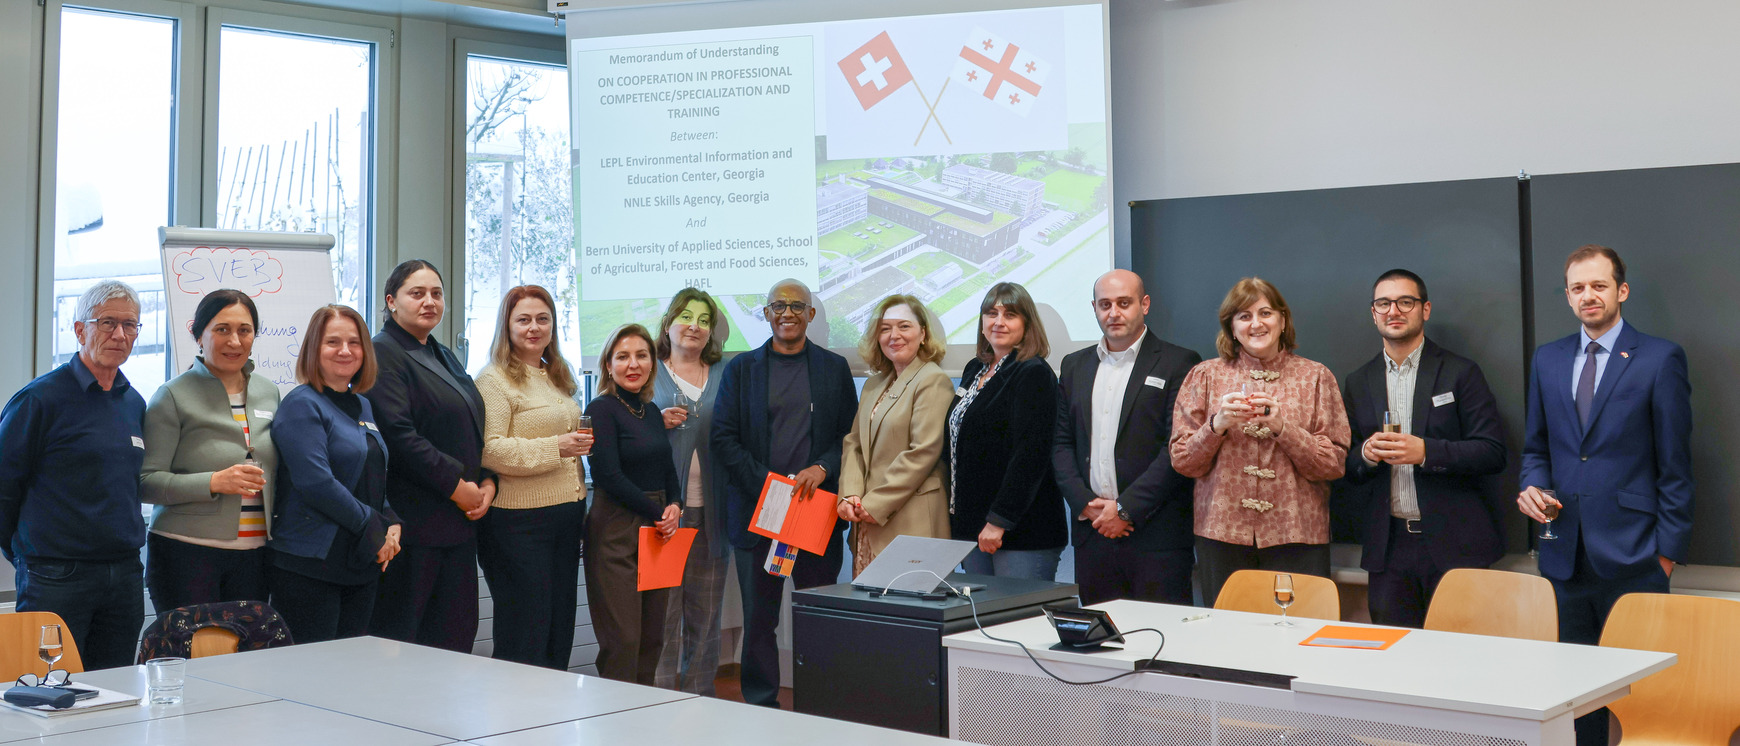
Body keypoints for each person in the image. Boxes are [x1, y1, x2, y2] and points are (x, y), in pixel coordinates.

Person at [1517, 245, 1691, 746]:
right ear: (1568, 296)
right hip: (1563, 557)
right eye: (1578, 288)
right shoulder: (1547, 359)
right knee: (1575, 700)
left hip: (1636, 557)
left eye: (1599, 285)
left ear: (1622, 290)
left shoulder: (1659, 358)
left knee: (1649, 699)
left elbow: (1677, 467)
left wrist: (1665, 557)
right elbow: (1536, 448)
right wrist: (1531, 486)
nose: (1588, 295)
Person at [711, 279, 857, 707]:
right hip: (759, 515)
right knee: (759, 621)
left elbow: (849, 437)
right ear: (766, 314)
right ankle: (761, 705)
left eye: (796, 306)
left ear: (810, 314)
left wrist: (822, 467)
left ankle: (821, 702)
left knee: (818, 618)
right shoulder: (742, 369)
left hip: (816, 515)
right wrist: (770, 486)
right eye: (778, 306)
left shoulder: (834, 368)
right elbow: (723, 438)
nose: (787, 313)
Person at [1340, 269, 1506, 627]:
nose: (1393, 311)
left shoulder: (1461, 372)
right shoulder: (1358, 381)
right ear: (1373, 313)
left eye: (1405, 302)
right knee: (1395, 655)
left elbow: (1492, 452)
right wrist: (1366, 454)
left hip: (1456, 545)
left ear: (1425, 309)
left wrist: (1427, 452)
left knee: (1461, 653)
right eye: (1383, 303)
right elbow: (1346, 464)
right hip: (1388, 550)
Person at [1170, 277, 1350, 607]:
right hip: (1222, 535)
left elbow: (1334, 464)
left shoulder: (1316, 377)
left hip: (1297, 534)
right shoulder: (1205, 376)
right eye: (1244, 316)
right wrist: (1216, 426)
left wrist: (1284, 428)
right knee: (1228, 633)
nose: (1256, 324)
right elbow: (1183, 461)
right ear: (1231, 327)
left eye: (1265, 313)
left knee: (1297, 630)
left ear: (1283, 320)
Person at [0, 280, 148, 669]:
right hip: (56, 576)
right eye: (107, 322)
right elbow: (3, 487)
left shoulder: (133, 402)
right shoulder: (39, 400)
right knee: (49, 687)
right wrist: (26, 555)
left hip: (125, 574)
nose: (120, 335)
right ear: (80, 330)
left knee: (116, 687)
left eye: (130, 325)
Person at [366, 259, 494, 652]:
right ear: (391, 301)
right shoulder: (382, 352)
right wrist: (458, 487)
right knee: (406, 644)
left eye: (436, 294)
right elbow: (400, 437)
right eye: (417, 293)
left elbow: (470, 427)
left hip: (458, 524)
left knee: (455, 640)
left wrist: (487, 482)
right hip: (415, 526)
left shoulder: (441, 353)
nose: (429, 302)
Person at [1053, 270, 1202, 605]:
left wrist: (1124, 510)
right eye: (1105, 305)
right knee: (1102, 635)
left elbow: (1177, 449)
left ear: (1144, 305)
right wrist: (1086, 505)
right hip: (1093, 534)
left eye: (1124, 303)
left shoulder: (1179, 363)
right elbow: (1061, 443)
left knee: (1162, 635)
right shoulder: (1074, 365)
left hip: (1156, 536)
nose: (1114, 313)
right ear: (1094, 308)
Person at [140, 289, 280, 615]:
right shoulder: (172, 395)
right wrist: (213, 482)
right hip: (185, 555)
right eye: (222, 329)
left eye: (244, 330)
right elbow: (146, 483)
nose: (235, 341)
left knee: (246, 648)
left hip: (256, 556)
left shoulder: (269, 392)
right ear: (198, 334)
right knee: (195, 648)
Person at [268, 305, 402, 643]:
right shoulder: (302, 405)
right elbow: (316, 483)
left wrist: (391, 522)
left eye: (354, 342)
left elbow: (371, 473)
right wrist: (375, 527)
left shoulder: (362, 404)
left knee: (350, 668)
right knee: (312, 670)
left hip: (359, 561)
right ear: (314, 348)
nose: (345, 350)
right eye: (333, 342)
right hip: (311, 564)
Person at [474, 286, 589, 670]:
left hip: (566, 517)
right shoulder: (493, 380)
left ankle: (553, 707)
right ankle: (516, 708)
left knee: (559, 629)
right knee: (525, 635)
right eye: (523, 319)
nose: (534, 327)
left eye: (543, 319)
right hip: (519, 525)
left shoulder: (556, 374)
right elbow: (490, 450)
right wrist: (557, 447)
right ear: (506, 325)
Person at [946, 282, 1067, 580]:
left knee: (1018, 611)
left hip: (1020, 530)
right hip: (973, 526)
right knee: (980, 609)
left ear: (1027, 324)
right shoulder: (975, 369)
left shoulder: (1033, 372)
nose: (998, 322)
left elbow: (1031, 455)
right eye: (991, 313)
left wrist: (999, 521)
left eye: (1010, 315)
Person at [585, 324, 681, 685]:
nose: (633, 364)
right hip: (615, 530)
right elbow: (608, 475)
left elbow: (666, 468)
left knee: (652, 638)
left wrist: (676, 504)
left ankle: (643, 713)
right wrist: (659, 513)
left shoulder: (651, 411)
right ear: (608, 365)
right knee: (623, 641)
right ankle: (615, 716)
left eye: (641, 355)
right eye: (623, 357)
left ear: (652, 363)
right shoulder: (601, 409)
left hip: (656, 531)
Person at [649, 288, 730, 693]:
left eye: (703, 320)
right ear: (668, 324)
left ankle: (700, 700)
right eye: (685, 317)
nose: (694, 326)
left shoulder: (725, 373)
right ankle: (660, 704)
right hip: (663, 517)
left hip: (713, 516)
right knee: (662, 617)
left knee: (706, 616)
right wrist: (654, 421)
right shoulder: (647, 371)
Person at [837, 295, 953, 575]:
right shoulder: (873, 384)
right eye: (885, 328)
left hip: (911, 524)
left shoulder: (932, 379)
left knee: (908, 603)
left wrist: (875, 504)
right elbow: (854, 443)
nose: (894, 335)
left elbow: (923, 451)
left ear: (923, 334)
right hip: (867, 522)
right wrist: (849, 494)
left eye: (904, 326)